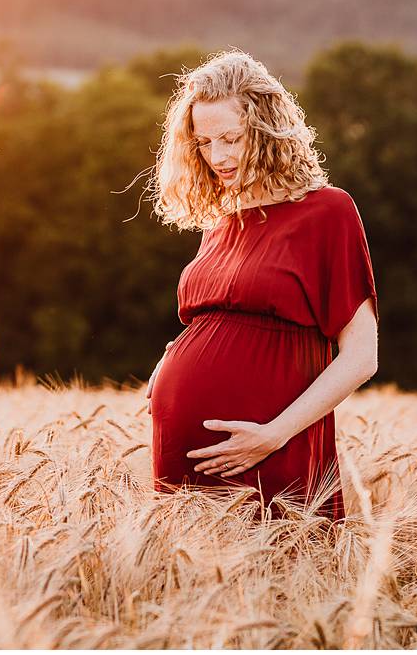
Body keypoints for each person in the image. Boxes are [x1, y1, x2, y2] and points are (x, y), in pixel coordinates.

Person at [143, 49, 378, 521]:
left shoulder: (327, 212)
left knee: (282, 579)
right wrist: (171, 358)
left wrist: (273, 433)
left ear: (267, 129)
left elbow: (361, 356)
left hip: (271, 444)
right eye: (204, 143)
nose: (219, 156)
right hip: (183, 449)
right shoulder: (220, 221)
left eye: (231, 138)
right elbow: (219, 321)